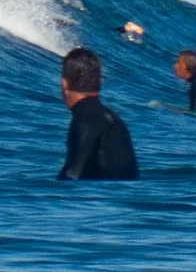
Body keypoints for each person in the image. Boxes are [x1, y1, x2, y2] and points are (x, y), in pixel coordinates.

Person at [58, 48, 139, 180]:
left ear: (64, 84)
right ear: (100, 82)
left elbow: (73, 174)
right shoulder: (113, 118)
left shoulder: (87, 119)